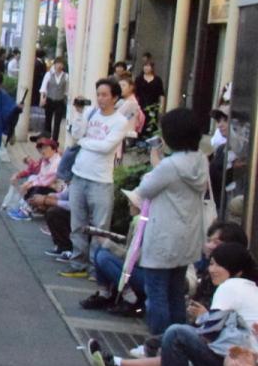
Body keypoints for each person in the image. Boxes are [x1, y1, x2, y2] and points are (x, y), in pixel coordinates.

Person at [87, 243, 258, 366]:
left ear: (237, 270)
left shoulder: (231, 287)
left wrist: (194, 325)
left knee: (177, 334)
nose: (211, 269)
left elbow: (209, 332)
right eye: (212, 263)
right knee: (178, 350)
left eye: (218, 265)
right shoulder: (249, 288)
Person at [131, 108, 208, 337]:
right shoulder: (201, 160)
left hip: (163, 237)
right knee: (175, 293)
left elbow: (145, 189)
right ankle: (176, 343)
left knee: (156, 294)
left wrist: (156, 162)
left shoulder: (169, 165)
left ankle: (157, 345)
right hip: (187, 237)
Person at [56, 79, 133, 278]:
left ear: (115, 97)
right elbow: (76, 134)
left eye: (105, 95)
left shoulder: (120, 121)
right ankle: (77, 263)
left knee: (99, 228)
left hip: (101, 179)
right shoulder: (91, 113)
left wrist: (85, 141)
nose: (100, 99)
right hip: (79, 174)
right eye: (98, 94)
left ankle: (94, 266)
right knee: (77, 223)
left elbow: (107, 147)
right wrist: (80, 113)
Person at [39, 58, 68, 142]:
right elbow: (43, 87)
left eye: (61, 64)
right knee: (48, 120)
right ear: (54, 64)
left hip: (60, 100)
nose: (59, 65)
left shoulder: (66, 76)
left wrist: (66, 100)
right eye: (58, 63)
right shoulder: (48, 74)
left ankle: (54, 141)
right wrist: (42, 98)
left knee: (57, 123)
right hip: (50, 100)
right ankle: (47, 139)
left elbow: (66, 90)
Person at [134, 60, 165, 136]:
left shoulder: (157, 80)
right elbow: (135, 93)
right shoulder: (139, 79)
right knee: (141, 123)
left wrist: (161, 106)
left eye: (148, 66)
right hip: (141, 105)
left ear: (152, 68)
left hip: (153, 106)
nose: (146, 68)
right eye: (145, 66)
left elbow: (161, 94)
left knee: (151, 124)